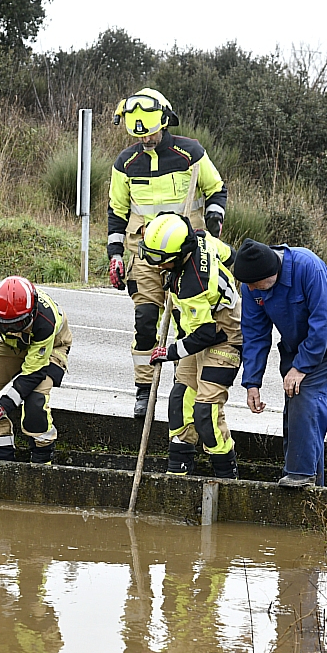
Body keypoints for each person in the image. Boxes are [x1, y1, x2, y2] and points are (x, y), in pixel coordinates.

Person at [107, 88, 228, 418]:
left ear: (165, 122)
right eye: (138, 135)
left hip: (186, 250)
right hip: (144, 250)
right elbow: (117, 211)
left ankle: (182, 381)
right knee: (146, 319)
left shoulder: (191, 153)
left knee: (186, 321)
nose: (145, 140)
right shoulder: (126, 163)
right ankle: (144, 387)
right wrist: (115, 255)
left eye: (150, 133)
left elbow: (217, 189)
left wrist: (214, 217)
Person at [235, 240, 327, 487]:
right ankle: (311, 480)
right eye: (248, 286)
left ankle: (301, 474)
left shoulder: (307, 267)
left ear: (272, 274)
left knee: (305, 395)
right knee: (296, 406)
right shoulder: (251, 288)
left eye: (255, 285)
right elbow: (255, 334)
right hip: (298, 342)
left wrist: (301, 367)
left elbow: (324, 321)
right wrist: (252, 382)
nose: (251, 290)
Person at [142, 212, 242, 478]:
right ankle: (180, 469)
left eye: (157, 259)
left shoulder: (193, 284)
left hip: (222, 337)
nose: (153, 264)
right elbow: (231, 256)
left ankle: (225, 476)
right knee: (179, 401)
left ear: (177, 256)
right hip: (196, 333)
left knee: (205, 413)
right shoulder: (201, 238)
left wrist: (170, 352)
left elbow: (206, 334)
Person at [0, 276, 72, 464]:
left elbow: (33, 374)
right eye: (4, 324)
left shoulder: (45, 321)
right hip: (13, 345)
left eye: (17, 324)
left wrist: (3, 406)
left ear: (32, 313)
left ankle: (42, 457)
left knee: (35, 402)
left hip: (51, 347)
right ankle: (2, 454)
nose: (10, 329)